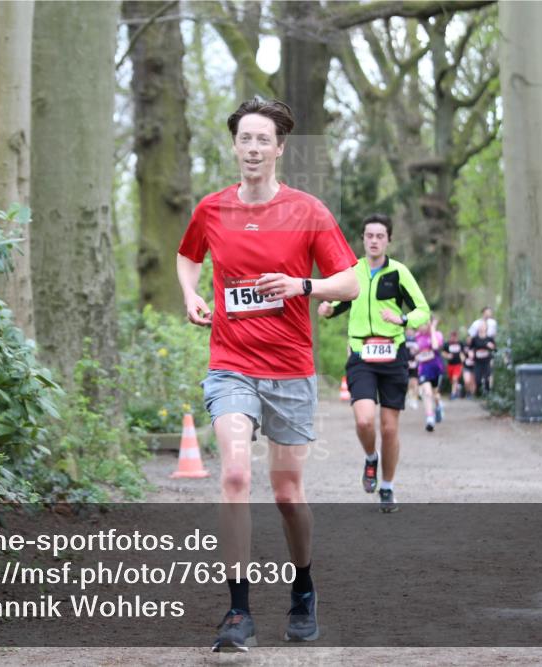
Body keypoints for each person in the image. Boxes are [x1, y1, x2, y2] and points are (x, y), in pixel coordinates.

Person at [177, 98, 359, 652]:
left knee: (285, 493)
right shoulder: (211, 210)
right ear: (234, 146)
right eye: (245, 139)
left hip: (289, 370)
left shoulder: (308, 211)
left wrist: (301, 286)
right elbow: (188, 256)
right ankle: (238, 611)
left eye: (263, 140)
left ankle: (303, 586)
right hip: (231, 364)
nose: (253, 149)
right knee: (233, 475)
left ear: (279, 149)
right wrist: (190, 293)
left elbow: (349, 281)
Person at [318, 214, 430, 513]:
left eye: (380, 236)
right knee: (365, 419)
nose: (374, 240)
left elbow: (423, 311)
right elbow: (337, 303)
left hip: (393, 355)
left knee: (390, 429)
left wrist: (403, 319)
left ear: (388, 240)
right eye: (369, 235)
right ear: (363, 239)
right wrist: (327, 309)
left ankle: (388, 487)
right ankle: (371, 458)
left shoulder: (399, 273)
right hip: (360, 355)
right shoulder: (352, 271)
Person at [414, 320, 445, 431]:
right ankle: (430, 418)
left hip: (436, 368)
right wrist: (416, 355)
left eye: (425, 324)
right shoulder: (417, 336)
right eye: (420, 324)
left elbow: (435, 346)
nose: (422, 326)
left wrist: (432, 330)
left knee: (436, 394)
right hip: (423, 369)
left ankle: (438, 406)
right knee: (427, 392)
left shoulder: (437, 334)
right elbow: (414, 351)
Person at [470, 325, 497, 396]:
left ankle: (488, 393)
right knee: (477, 379)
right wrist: (471, 353)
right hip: (478, 361)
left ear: (486, 328)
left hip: (487, 361)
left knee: (487, 377)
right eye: (480, 326)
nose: (481, 328)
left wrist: (492, 346)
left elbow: (495, 350)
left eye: (483, 326)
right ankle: (478, 393)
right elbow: (470, 348)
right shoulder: (475, 338)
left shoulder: (489, 338)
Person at [441, 329, 464, 399]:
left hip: (458, 364)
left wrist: (463, 358)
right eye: (452, 336)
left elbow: (463, 352)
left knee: (454, 378)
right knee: (452, 380)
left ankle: (453, 394)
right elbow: (443, 352)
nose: (453, 338)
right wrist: (447, 355)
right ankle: (458, 388)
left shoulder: (460, 343)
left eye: (455, 336)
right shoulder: (447, 344)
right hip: (450, 365)